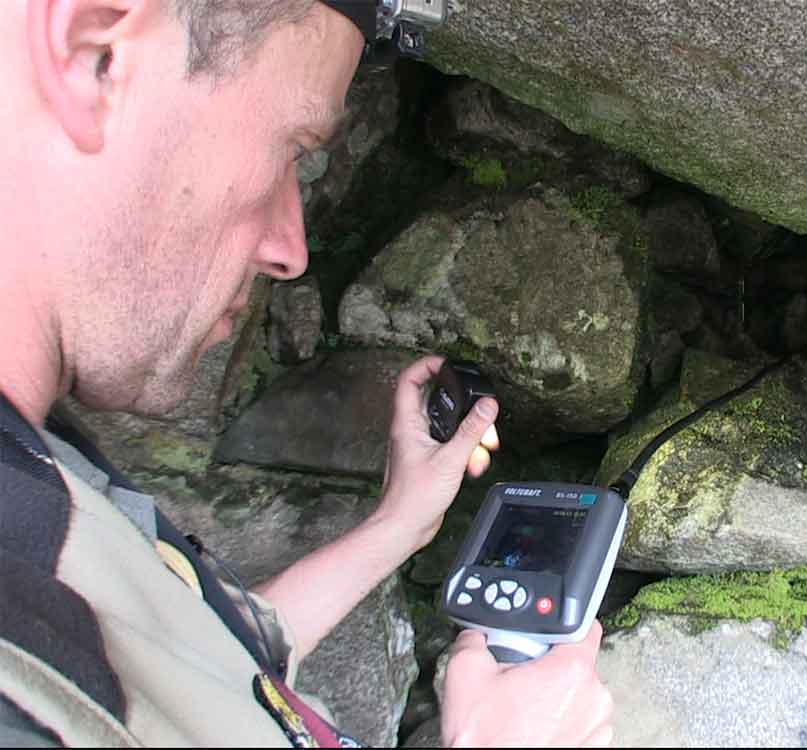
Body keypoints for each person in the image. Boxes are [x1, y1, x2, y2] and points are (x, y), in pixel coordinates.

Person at [0, 0, 615, 747]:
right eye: (294, 149)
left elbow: (201, 663)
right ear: (95, 55)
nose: (292, 252)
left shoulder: (41, 466)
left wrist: (397, 526)